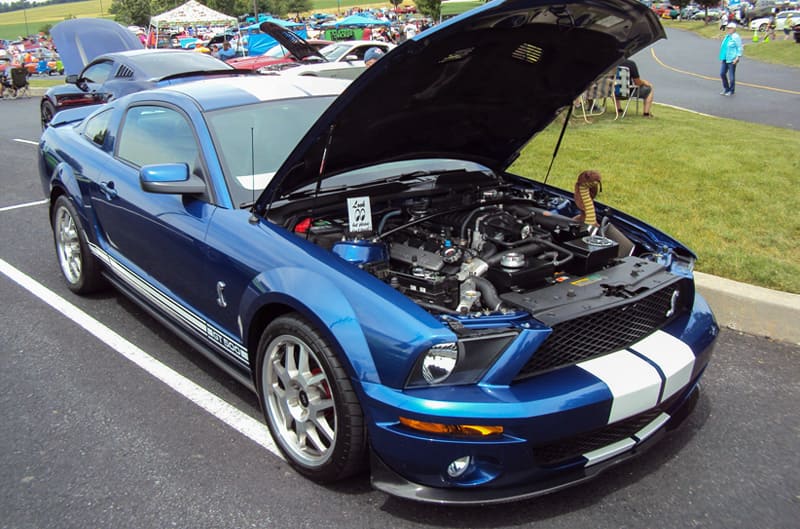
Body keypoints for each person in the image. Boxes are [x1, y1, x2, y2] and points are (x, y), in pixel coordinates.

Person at [719, 22, 743, 96]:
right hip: (725, 58)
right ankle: (726, 88)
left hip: (732, 59)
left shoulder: (736, 37)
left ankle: (731, 90)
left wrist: (737, 57)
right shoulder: (727, 36)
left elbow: (739, 47)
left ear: (734, 29)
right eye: (728, 28)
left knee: (731, 76)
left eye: (730, 28)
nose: (728, 29)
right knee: (722, 73)